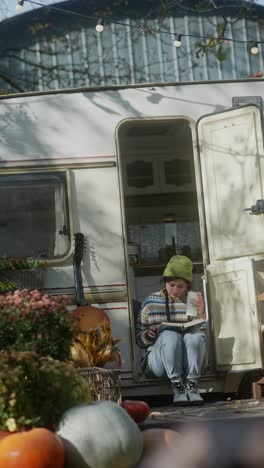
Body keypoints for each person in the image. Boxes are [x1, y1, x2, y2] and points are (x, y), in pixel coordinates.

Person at [136, 255, 206, 406]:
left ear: (188, 286)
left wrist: (201, 311)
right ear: (165, 282)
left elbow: (201, 335)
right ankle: (177, 387)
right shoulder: (151, 301)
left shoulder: (192, 300)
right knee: (169, 335)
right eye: (171, 284)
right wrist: (149, 335)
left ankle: (192, 385)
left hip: (186, 362)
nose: (175, 290)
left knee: (194, 337)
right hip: (158, 363)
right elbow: (139, 339)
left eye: (181, 287)